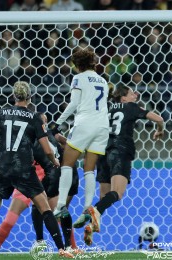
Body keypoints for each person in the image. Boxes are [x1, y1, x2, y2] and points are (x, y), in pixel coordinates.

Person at [0, 81, 73, 258]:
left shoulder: (2, 113)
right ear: (29, 97)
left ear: (14, 96)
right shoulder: (34, 118)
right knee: (45, 208)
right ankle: (62, 249)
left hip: (3, 168)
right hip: (24, 169)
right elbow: (47, 149)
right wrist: (54, 161)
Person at [73, 86, 164, 246]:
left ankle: (90, 223)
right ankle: (92, 212)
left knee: (104, 197)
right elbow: (159, 119)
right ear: (123, 98)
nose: (135, 95)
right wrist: (160, 130)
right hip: (121, 151)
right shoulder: (131, 107)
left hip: (101, 151)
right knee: (118, 193)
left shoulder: (104, 107)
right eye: (131, 93)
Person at [0, 113, 80, 254]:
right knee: (9, 219)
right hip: (27, 180)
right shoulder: (26, 136)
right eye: (41, 121)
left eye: (45, 121)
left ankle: (71, 247)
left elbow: (64, 144)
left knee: (60, 213)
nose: (43, 124)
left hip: (46, 181)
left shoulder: (49, 136)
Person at [51, 49, 110, 226]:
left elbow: (74, 103)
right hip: (102, 126)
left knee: (67, 164)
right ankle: (87, 208)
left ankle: (60, 205)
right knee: (89, 169)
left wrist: (57, 123)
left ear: (78, 65)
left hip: (85, 123)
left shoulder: (79, 78)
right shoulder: (103, 81)